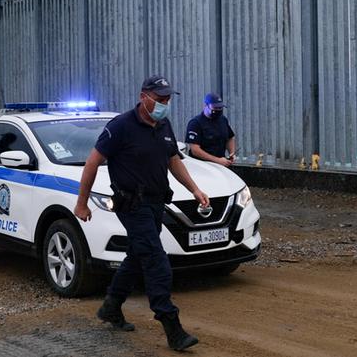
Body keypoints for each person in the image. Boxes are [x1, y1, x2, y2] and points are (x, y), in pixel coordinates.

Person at [74, 75, 210, 352]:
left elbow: (173, 160)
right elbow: (92, 163)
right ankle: (172, 327)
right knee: (156, 261)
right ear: (143, 96)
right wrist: (82, 203)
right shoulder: (121, 127)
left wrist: (195, 189)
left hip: (156, 203)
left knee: (138, 255)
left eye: (168, 100)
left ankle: (111, 306)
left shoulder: (163, 124)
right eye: (160, 99)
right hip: (132, 205)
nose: (164, 104)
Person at [185, 93, 236, 167]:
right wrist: (217, 160)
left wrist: (232, 153)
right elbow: (195, 150)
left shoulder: (223, 120)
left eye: (220, 108)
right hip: (202, 166)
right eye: (215, 108)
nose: (218, 110)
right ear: (206, 105)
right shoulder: (195, 123)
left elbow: (230, 137)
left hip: (221, 165)